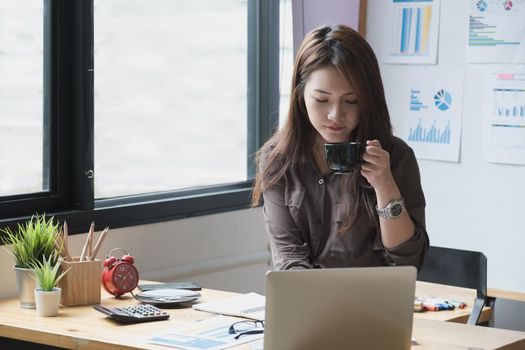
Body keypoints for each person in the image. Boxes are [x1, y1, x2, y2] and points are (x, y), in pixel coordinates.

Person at [252, 24, 429, 271]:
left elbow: (408, 259)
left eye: (352, 100)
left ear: (368, 99)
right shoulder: (278, 159)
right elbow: (288, 256)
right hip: (306, 300)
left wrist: (384, 184)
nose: (336, 115)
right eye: (322, 100)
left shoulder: (396, 156)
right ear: (300, 94)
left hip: (377, 303)